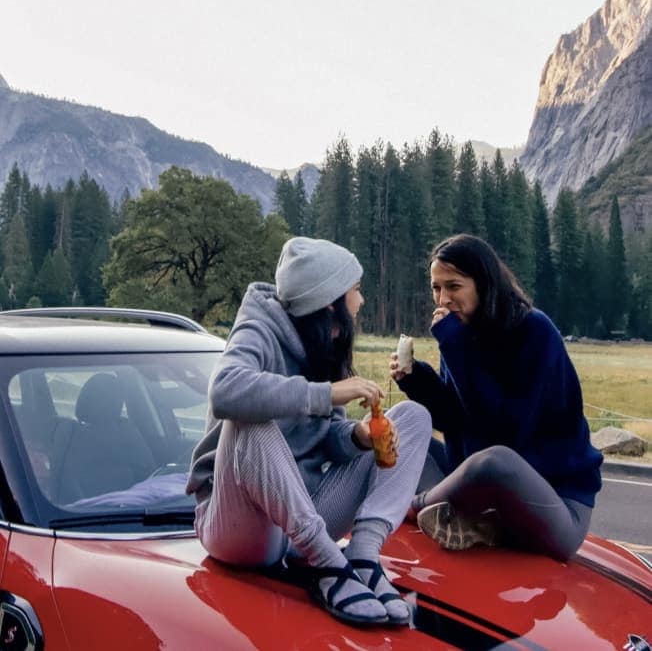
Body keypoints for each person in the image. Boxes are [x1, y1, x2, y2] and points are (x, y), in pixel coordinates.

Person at [186, 236, 432, 626]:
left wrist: (357, 437)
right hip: (239, 528)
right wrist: (328, 393)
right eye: (355, 290)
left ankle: (363, 557)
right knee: (250, 421)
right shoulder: (258, 329)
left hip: (304, 519)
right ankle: (327, 566)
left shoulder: (322, 343)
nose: (361, 300)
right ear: (329, 300)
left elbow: (325, 437)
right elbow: (225, 391)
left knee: (414, 417)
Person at [390, 233, 603, 561]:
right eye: (436, 287)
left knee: (495, 460)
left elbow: (506, 433)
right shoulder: (465, 333)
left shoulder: (534, 332)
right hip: (483, 496)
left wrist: (455, 347)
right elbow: (454, 419)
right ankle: (462, 519)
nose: (442, 299)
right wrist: (416, 379)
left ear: (484, 284)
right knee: (400, 426)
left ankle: (417, 506)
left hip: (554, 505)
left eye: (454, 286)